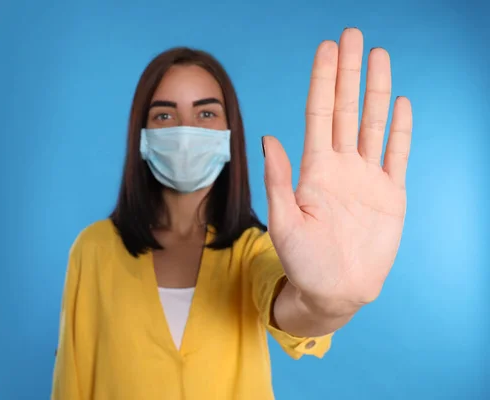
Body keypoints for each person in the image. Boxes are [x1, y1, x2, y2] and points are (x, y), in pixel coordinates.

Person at [50, 27, 413, 399]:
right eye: (164, 115)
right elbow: (71, 381)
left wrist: (327, 303)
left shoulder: (252, 250)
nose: (186, 131)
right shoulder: (93, 249)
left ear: (229, 133)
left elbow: (292, 308)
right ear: (141, 135)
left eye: (206, 112)